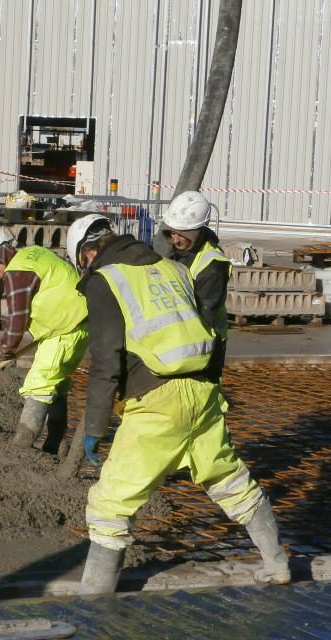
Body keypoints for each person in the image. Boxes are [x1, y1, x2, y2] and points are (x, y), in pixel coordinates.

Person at [66, 215, 290, 595]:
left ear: (88, 253)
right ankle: (277, 564)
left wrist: (94, 428)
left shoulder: (107, 280)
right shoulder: (171, 267)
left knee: (109, 506)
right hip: (202, 392)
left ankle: (94, 601)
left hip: (157, 402)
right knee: (229, 480)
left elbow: (106, 359)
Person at [0, 223, 89, 452]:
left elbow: (17, 317)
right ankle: (54, 444)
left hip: (62, 331)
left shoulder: (18, 271)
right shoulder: (36, 254)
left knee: (38, 384)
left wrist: (7, 347)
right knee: (56, 385)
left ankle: (22, 445)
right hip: (80, 326)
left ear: (0, 253)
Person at [157, 191, 232, 381]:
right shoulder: (182, 251)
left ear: (196, 231)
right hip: (179, 339)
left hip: (205, 343)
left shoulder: (213, 265)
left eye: (181, 234)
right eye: (171, 232)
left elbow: (203, 315)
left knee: (203, 396)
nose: (175, 239)